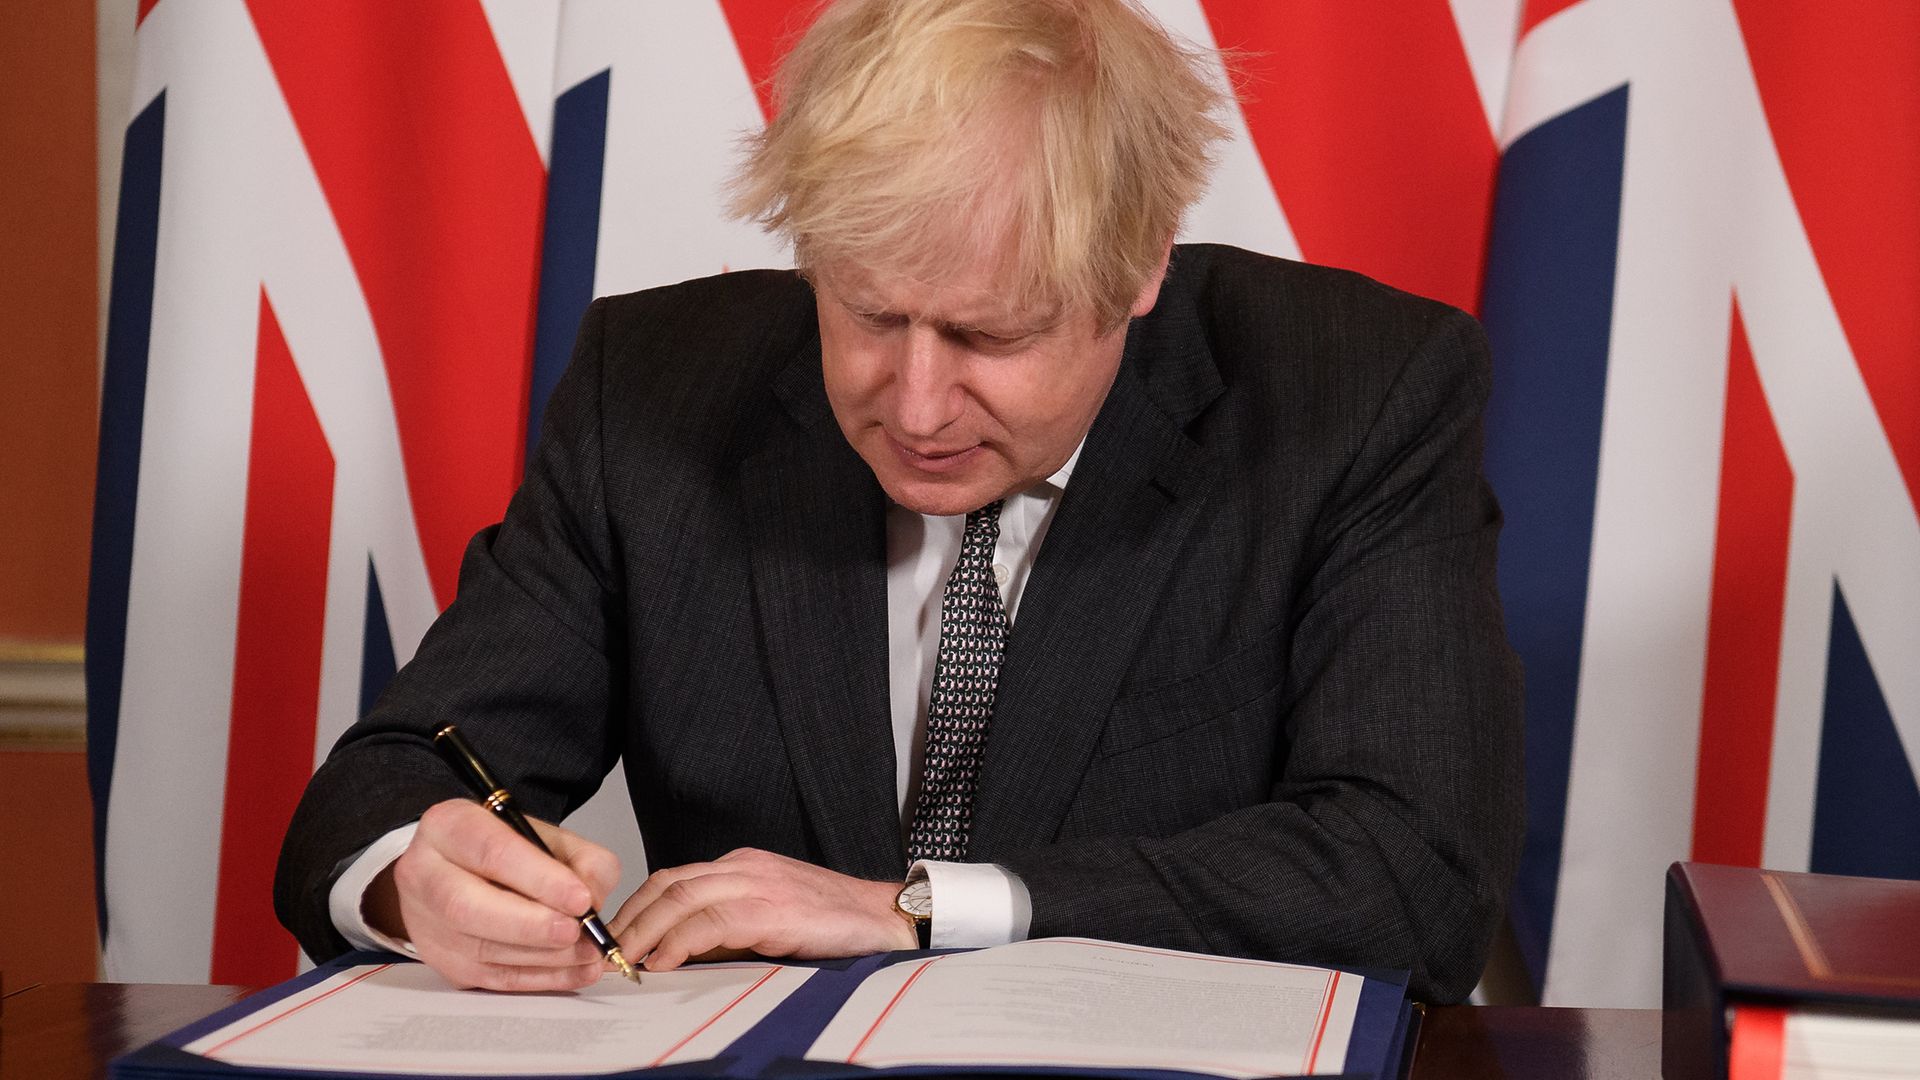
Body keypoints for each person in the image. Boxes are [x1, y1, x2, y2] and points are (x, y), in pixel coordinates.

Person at [275, 0, 1523, 1005]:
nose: (916, 406)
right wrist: (413, 881)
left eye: (989, 334)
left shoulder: (1357, 396)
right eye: (869, 315)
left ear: (1140, 269)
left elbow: (1413, 872)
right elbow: (394, 774)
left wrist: (917, 908)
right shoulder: (651, 392)